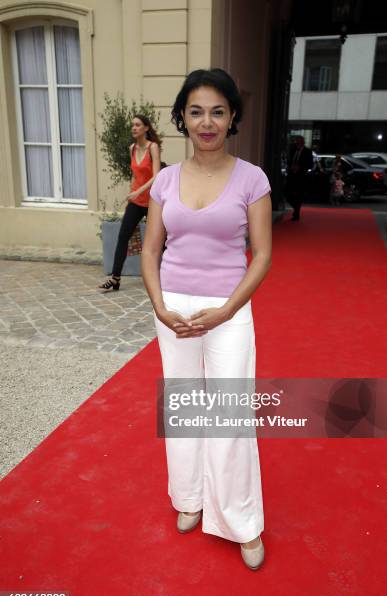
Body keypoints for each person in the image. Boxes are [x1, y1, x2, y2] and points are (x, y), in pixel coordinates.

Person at [141, 68, 272, 570]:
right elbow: (151, 250)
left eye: (218, 110)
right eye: (196, 111)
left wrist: (226, 309)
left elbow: (261, 255)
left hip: (229, 309)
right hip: (172, 309)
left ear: (232, 116)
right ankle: (189, 496)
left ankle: (240, 520)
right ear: (182, 118)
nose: (207, 121)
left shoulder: (251, 178)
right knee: (184, 405)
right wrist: (159, 305)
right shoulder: (166, 180)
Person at [98, 115, 162, 291]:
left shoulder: (153, 148)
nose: (134, 128)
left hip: (152, 201)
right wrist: (132, 191)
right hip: (136, 201)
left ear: (146, 128)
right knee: (123, 236)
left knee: (158, 241)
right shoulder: (132, 148)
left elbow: (157, 176)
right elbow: (136, 175)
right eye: (132, 125)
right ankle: (115, 278)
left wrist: (138, 191)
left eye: (137, 125)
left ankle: (164, 276)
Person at [284, 135, 314, 221]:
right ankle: (296, 209)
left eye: (298, 142)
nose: (296, 143)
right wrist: (291, 166)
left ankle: (296, 213)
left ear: (302, 143)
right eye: (296, 142)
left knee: (298, 195)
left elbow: (310, 165)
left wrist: (300, 167)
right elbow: (289, 161)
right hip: (291, 176)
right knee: (287, 193)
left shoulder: (307, 152)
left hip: (301, 177)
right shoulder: (293, 150)